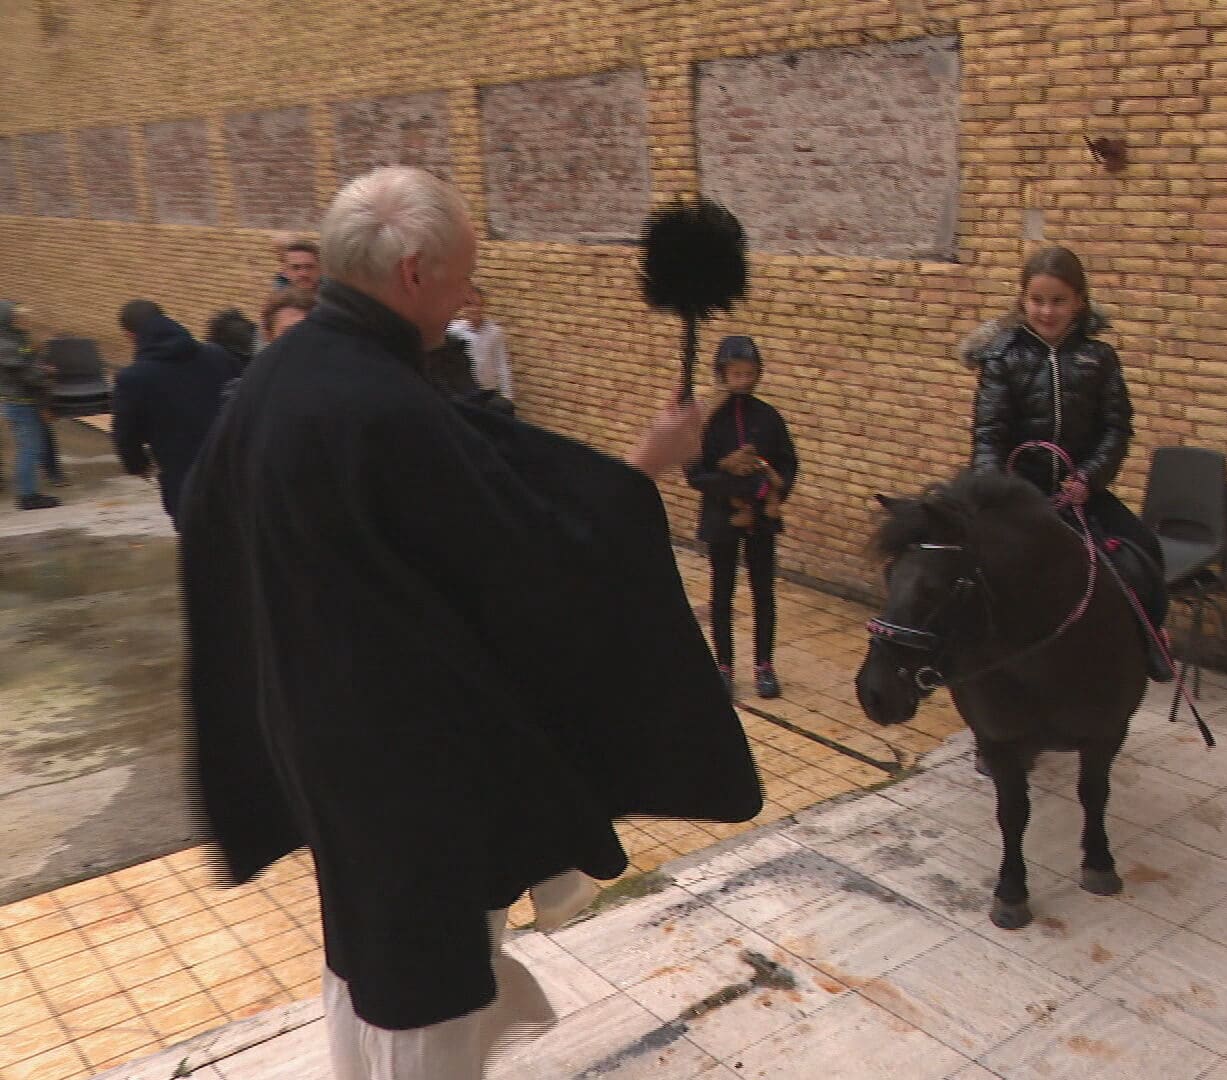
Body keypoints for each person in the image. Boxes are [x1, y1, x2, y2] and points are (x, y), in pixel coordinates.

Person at [178, 166, 761, 1080]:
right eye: (460, 277)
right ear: (413, 272)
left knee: (363, 952)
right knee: (427, 981)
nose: (464, 299)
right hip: (405, 766)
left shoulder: (281, 378)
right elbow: (526, 555)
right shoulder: (379, 402)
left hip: (318, 734)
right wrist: (642, 468)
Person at [963, 245, 1172, 681]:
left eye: (1058, 301)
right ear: (1023, 299)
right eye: (1038, 300)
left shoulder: (1099, 359)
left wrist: (1089, 479)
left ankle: (1150, 640)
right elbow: (989, 435)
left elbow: (1117, 429)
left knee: (1143, 548)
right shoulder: (1003, 359)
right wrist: (998, 493)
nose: (1047, 311)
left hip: (1079, 491)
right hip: (1020, 493)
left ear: (1079, 301)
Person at [685, 335, 798, 700]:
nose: (743, 381)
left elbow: (788, 462)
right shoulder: (705, 420)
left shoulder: (768, 417)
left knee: (764, 592)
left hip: (763, 518)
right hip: (722, 517)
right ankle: (724, 666)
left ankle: (764, 665)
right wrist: (735, 485)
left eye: (750, 374)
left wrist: (771, 491)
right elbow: (695, 474)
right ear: (722, 373)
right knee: (722, 593)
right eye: (736, 373)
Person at [109, 300, 242, 525]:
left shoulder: (133, 379)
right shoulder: (218, 355)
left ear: (130, 335)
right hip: (237, 472)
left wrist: (136, 464)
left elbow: (126, 432)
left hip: (186, 482)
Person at [1, 301, 62, 510]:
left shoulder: (16, 340)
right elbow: (28, 375)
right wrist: (47, 373)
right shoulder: (7, 346)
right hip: (22, 405)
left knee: (33, 447)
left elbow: (29, 363)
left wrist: (40, 365)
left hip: (24, 403)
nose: (25, 321)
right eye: (20, 318)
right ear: (8, 321)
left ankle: (29, 493)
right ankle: (28, 496)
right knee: (30, 449)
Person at [447, 285, 512, 401]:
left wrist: (507, 396)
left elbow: (501, 364)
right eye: (470, 304)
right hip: (464, 391)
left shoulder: (495, 332)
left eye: (478, 305)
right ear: (463, 306)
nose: (474, 309)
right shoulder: (453, 331)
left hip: (489, 390)